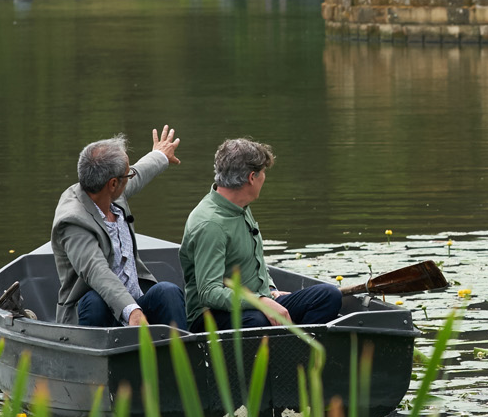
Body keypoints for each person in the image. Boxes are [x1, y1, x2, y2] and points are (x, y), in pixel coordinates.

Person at [180, 138, 342, 330]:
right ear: (252, 177)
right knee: (257, 321)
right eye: (263, 172)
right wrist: (260, 301)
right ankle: (285, 351)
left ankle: (296, 352)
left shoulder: (240, 204)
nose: (264, 178)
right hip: (212, 317)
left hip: (255, 303)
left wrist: (271, 292)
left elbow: (254, 263)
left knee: (328, 296)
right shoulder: (210, 224)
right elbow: (210, 293)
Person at [52, 128, 187, 328]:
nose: (131, 175)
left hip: (135, 304)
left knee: (168, 292)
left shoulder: (107, 192)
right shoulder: (72, 220)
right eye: (127, 174)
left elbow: (139, 173)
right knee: (95, 302)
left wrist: (160, 155)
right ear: (113, 183)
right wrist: (132, 310)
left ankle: (181, 354)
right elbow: (96, 271)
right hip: (92, 315)